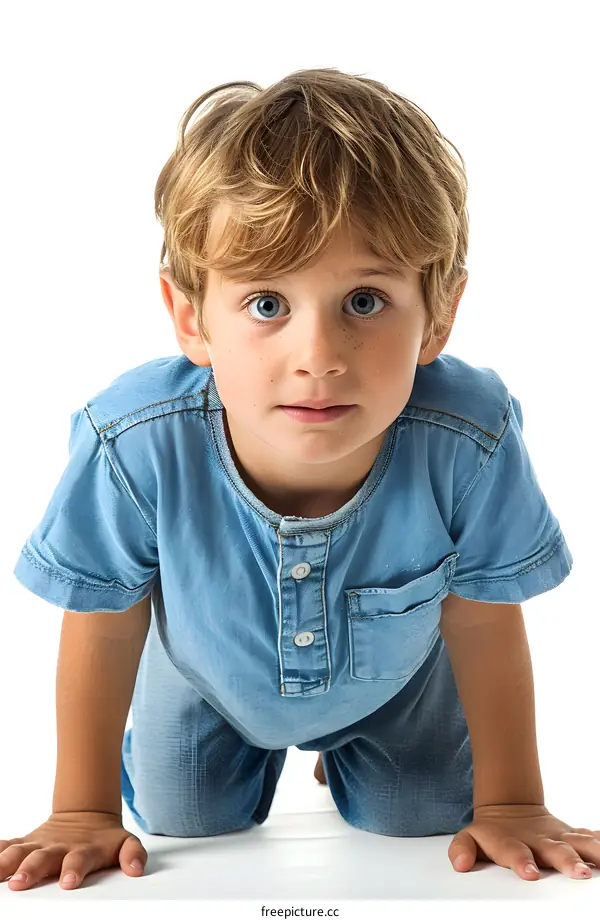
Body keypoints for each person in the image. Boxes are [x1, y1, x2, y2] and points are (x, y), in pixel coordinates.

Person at [3, 67, 597, 894]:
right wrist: (80, 809)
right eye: (267, 305)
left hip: (398, 682)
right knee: (186, 816)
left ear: (440, 314)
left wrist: (514, 799)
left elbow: (486, 620)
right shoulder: (133, 441)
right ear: (190, 318)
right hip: (208, 672)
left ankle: (350, 749)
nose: (317, 356)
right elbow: (102, 619)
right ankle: (222, 742)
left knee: (420, 814)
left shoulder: (470, 437)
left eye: (363, 301)